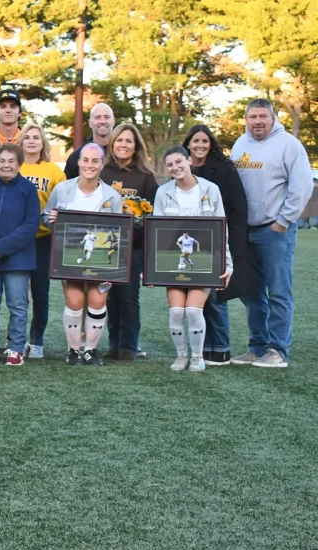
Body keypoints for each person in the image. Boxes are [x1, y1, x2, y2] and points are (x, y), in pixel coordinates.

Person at [229, 98, 314, 368]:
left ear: (273, 117)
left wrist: (284, 220)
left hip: (274, 230)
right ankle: (257, 347)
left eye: (262, 116)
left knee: (278, 291)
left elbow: (301, 186)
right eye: (252, 117)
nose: (257, 122)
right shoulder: (240, 145)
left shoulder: (289, 145)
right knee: (251, 293)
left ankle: (278, 350)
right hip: (246, 231)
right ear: (246, 119)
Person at [42, 143, 125, 366]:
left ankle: (90, 349)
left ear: (102, 163)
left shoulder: (112, 195)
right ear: (78, 162)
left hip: (101, 260)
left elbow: (118, 230)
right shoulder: (62, 189)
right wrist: (50, 220)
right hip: (69, 255)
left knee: (97, 301)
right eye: (85, 160)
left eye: (95, 161)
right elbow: (46, 216)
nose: (90, 165)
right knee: (75, 300)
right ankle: (73, 350)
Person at [153, 146, 234, 372]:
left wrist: (227, 263)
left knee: (193, 310)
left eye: (179, 162)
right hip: (173, 260)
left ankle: (197, 356)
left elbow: (221, 229)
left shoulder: (210, 189)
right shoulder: (163, 193)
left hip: (206, 261)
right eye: (170, 165)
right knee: (177, 311)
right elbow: (157, 233)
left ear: (189, 160)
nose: (175, 167)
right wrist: (151, 268)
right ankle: (181, 356)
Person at [185, 124, 254, 365]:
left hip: (218, 239)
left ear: (211, 144)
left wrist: (233, 240)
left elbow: (237, 207)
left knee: (216, 294)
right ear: (188, 145)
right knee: (197, 295)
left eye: (204, 141)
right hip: (190, 241)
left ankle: (221, 347)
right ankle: (203, 346)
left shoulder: (224, 169)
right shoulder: (183, 169)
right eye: (195, 141)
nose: (200, 145)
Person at [0, 144, 41, 365]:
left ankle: (15, 349)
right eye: (2, 161)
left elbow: (31, 224)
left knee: (18, 305)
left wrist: (4, 246)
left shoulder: (28, 189)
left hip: (18, 258)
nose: (6, 165)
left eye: (11, 161)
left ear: (19, 164)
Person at [101, 123, 159, 362]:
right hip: (107, 247)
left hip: (134, 248)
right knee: (109, 296)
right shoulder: (102, 174)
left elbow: (154, 216)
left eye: (128, 141)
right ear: (112, 144)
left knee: (128, 296)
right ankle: (113, 343)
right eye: (119, 141)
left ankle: (128, 346)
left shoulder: (145, 177)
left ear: (136, 147)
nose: (123, 145)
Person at [18, 123, 66, 360]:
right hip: (17, 239)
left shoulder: (54, 171)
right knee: (17, 294)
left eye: (37, 137)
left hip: (42, 238)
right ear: (21, 141)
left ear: (43, 142)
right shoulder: (13, 166)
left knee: (40, 292)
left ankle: (36, 341)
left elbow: (62, 204)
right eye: (27, 137)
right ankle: (15, 339)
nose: (32, 141)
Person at [64, 103, 115, 180]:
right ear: (90, 123)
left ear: (113, 121)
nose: (102, 121)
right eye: (97, 117)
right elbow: (68, 187)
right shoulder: (77, 157)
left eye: (107, 117)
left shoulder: (122, 153)